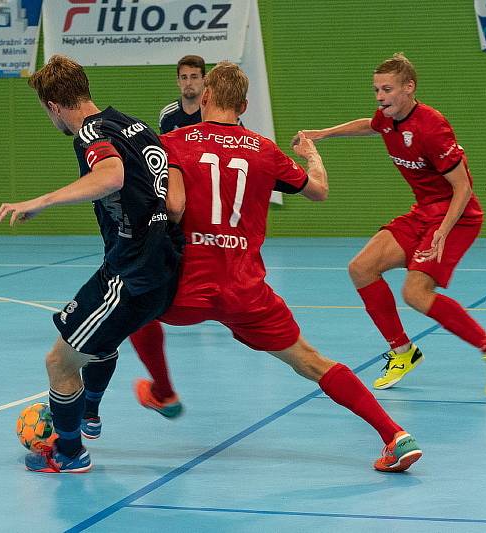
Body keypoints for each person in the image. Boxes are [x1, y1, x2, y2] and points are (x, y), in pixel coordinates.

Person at [130, 62, 422, 472]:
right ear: (244, 105)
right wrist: (312, 154)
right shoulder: (264, 151)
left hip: (187, 287)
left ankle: (161, 392)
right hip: (245, 291)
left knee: (130, 306)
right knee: (310, 360)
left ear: (207, 98)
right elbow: (318, 190)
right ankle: (394, 434)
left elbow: (168, 206)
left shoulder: (173, 142)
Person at [293, 53, 486, 397]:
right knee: (361, 268)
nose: (380, 97)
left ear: (409, 88)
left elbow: (463, 188)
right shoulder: (388, 118)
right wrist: (324, 134)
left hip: (456, 217)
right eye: (376, 90)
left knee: (415, 293)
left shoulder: (432, 126)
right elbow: (369, 125)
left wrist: (443, 231)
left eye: (387, 89)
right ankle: (402, 352)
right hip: (423, 211)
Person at [0, 55, 181, 474]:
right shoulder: (133, 124)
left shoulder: (90, 135)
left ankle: (68, 452)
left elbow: (112, 175)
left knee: (59, 363)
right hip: (161, 263)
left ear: (53, 106)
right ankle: (90, 412)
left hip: (132, 273)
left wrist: (41, 201)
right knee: (98, 341)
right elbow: (174, 202)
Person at [158, 55, 206, 134]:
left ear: (204, 79)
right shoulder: (167, 115)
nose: (188, 83)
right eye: (184, 77)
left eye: (194, 77)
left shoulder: (214, 114)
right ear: (178, 81)